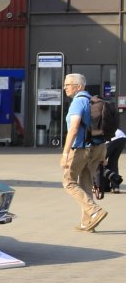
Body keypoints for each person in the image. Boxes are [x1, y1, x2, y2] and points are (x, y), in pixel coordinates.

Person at [59, 74, 107, 232]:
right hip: (97, 148)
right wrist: (104, 154)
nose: (65, 87)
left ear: (78, 87)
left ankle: (95, 211)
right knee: (86, 184)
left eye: (68, 84)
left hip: (81, 149)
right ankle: (88, 223)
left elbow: (73, 129)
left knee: (69, 182)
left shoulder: (78, 102)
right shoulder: (93, 101)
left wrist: (65, 154)